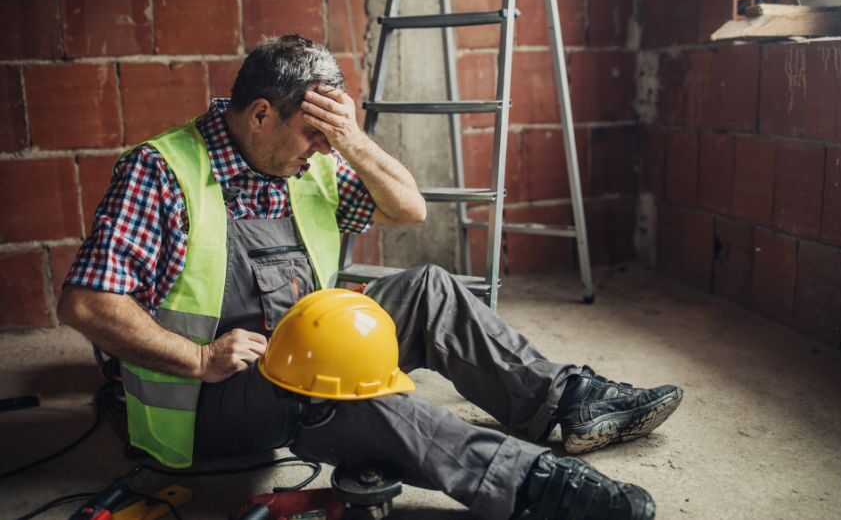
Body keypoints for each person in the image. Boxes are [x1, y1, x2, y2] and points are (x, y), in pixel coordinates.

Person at [58, 34, 683, 520]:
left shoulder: (315, 161)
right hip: (211, 403)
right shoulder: (161, 171)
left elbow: (408, 208)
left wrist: (351, 137)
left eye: (331, 137)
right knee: (346, 391)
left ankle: (566, 404)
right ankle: (533, 485)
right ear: (258, 115)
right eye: (314, 134)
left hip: (302, 345)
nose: (322, 152)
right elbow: (86, 305)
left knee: (429, 289)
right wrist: (198, 358)